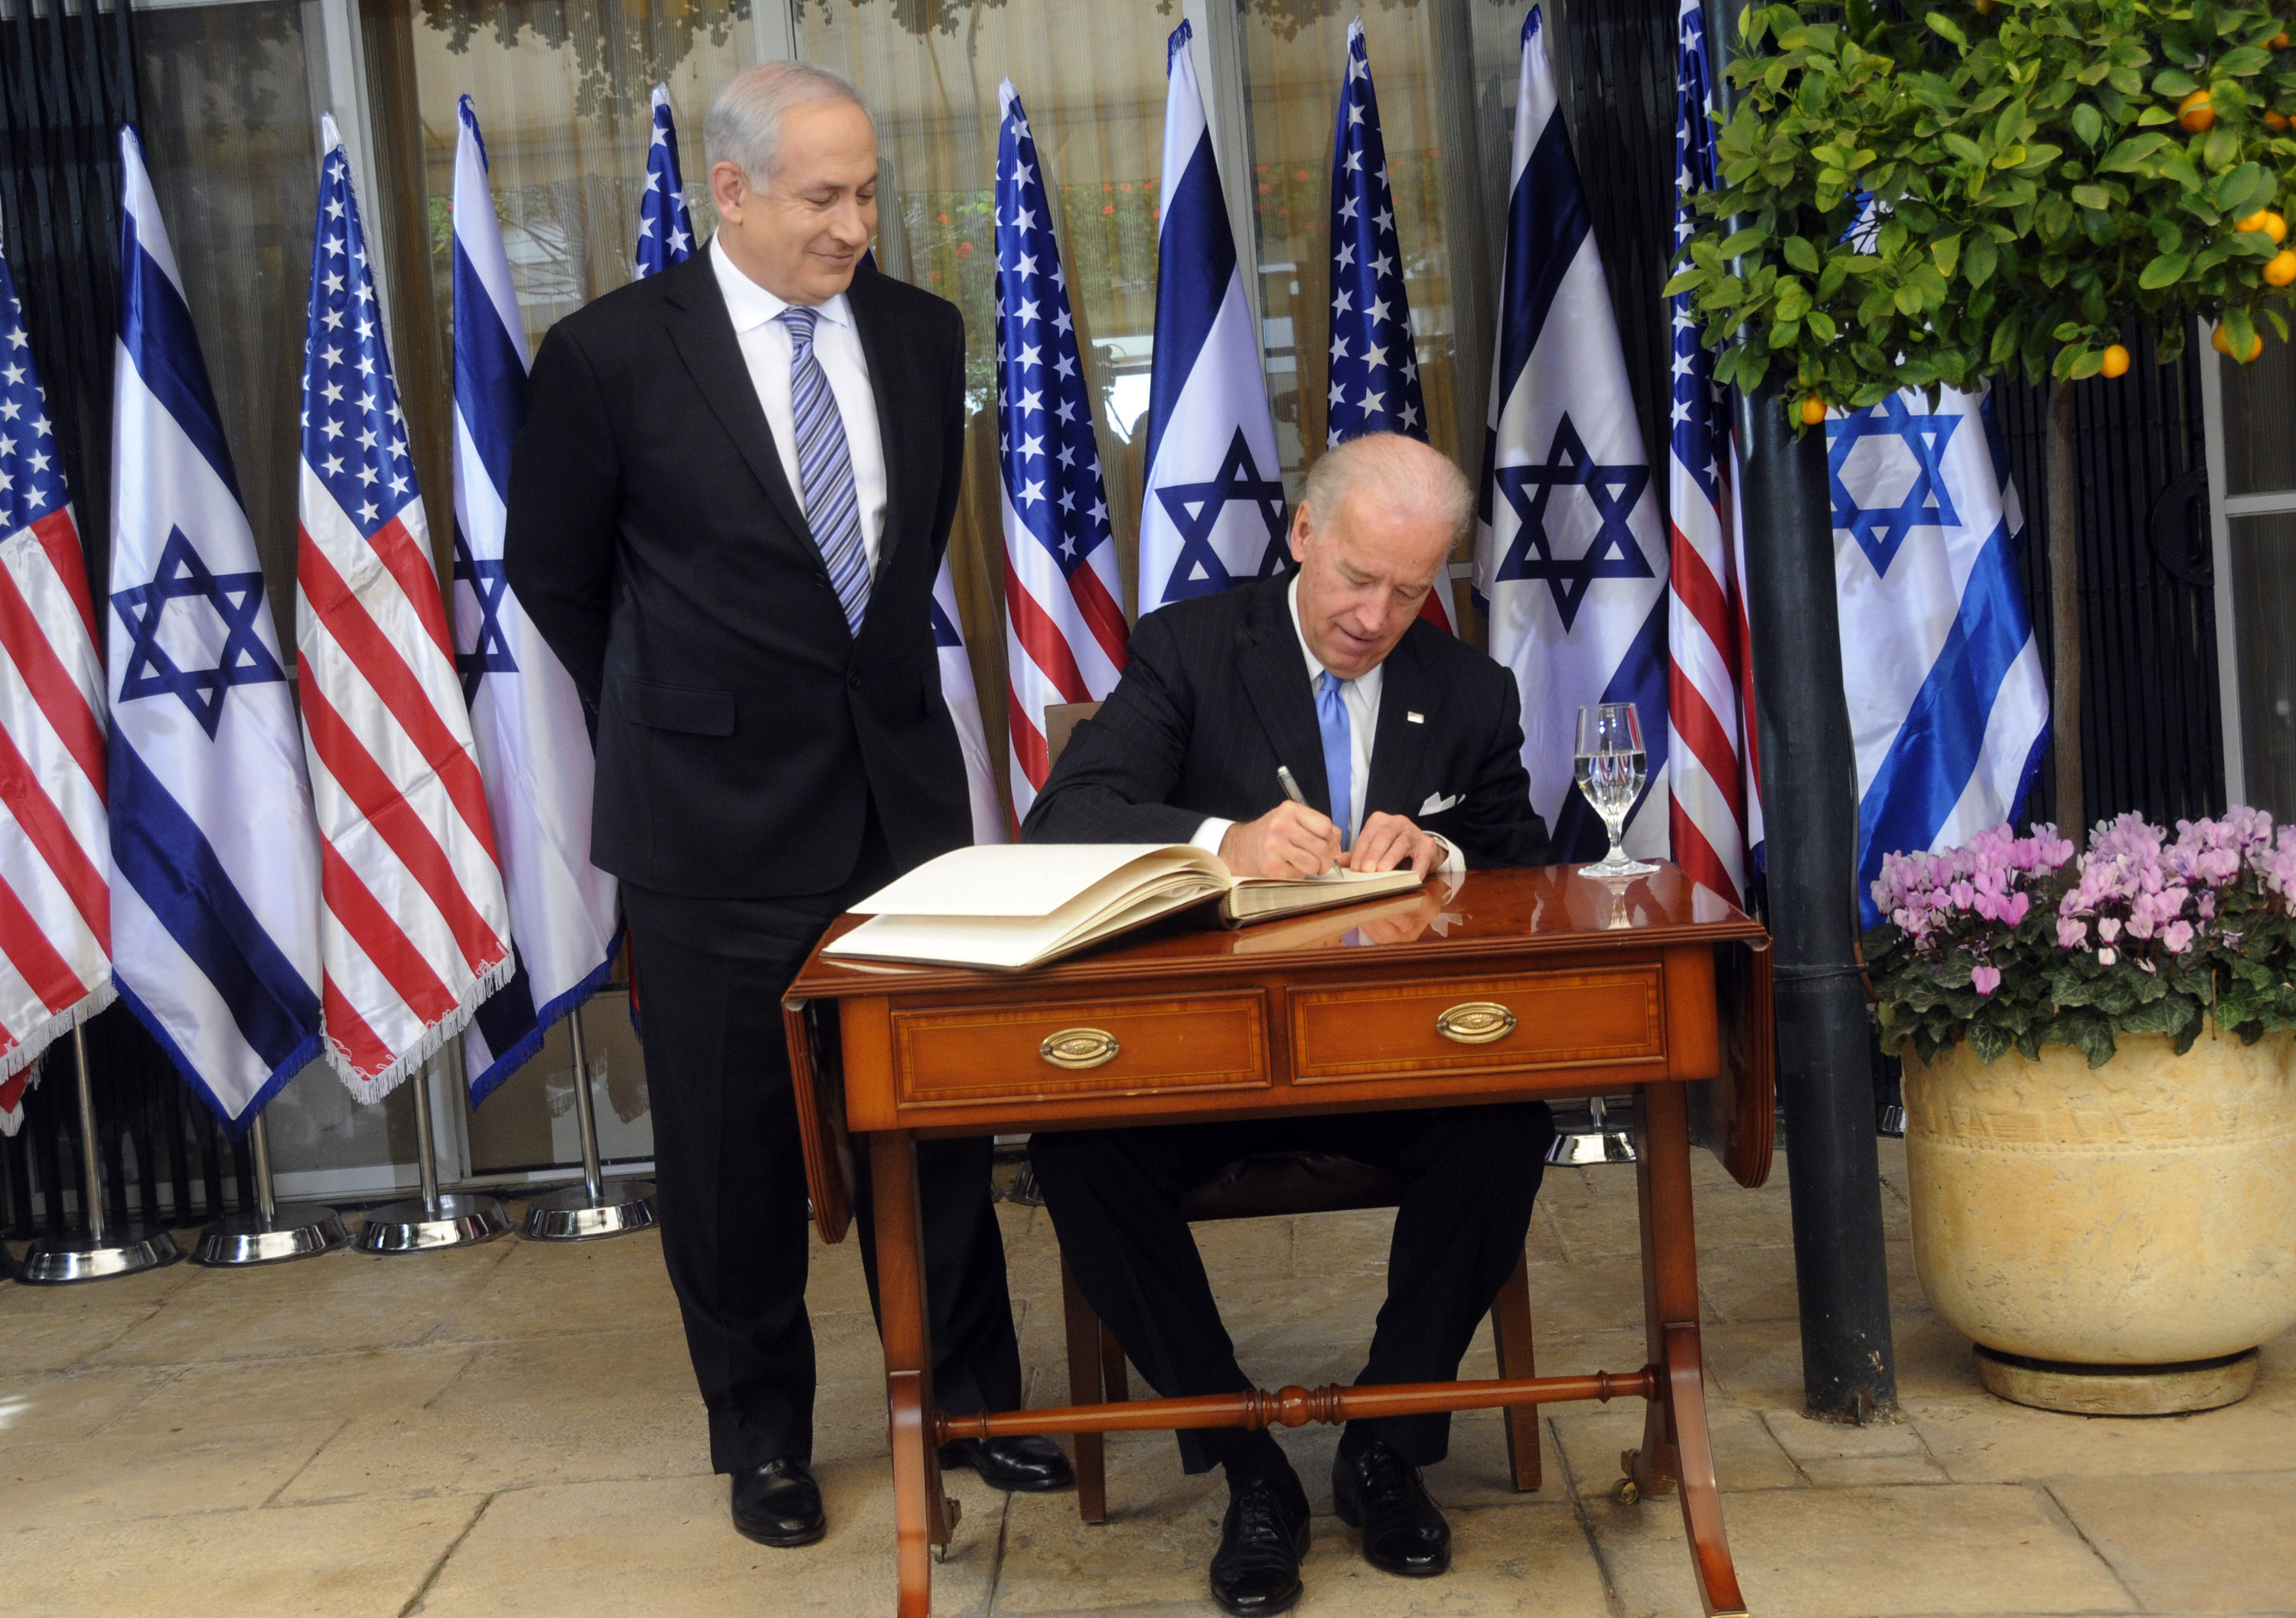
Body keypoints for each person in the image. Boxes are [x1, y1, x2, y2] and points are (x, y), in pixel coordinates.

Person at [504, 61, 1071, 1550]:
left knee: (939, 1113)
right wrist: (679, 700)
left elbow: (891, 574)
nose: (854, 223)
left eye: (869, 190)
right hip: (705, 817)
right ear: (734, 194)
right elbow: (555, 577)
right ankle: (760, 1434)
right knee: (730, 1143)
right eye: (824, 196)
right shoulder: (610, 354)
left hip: (899, 803)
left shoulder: (918, 329)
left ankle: (973, 1399)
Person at [1022, 432, 1556, 1617]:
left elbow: (1526, 861)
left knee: (1509, 1123)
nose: (1377, 615)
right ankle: (1247, 1456)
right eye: (1358, 577)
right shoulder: (1191, 649)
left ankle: (1384, 1437)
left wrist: (1445, 850)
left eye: (1411, 591)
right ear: (1303, 535)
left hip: (1384, 1060)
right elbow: (1066, 818)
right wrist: (1226, 843)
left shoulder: (1470, 689)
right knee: (1074, 1153)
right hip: (1196, 1063)